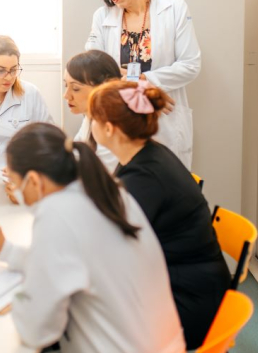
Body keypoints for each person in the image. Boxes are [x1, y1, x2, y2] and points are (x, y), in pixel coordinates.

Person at [0, 123, 185, 353]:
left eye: (14, 182)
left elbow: (37, 331)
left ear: (33, 180)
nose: (15, 190)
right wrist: (8, 250)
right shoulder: (107, 191)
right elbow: (70, 261)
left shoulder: (56, 213)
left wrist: (25, 295)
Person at [88, 80, 229, 349]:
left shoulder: (145, 176)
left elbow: (113, 244)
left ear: (108, 128)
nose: (90, 125)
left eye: (92, 118)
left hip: (187, 300)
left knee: (82, 313)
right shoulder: (148, 155)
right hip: (184, 280)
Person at [86, 0, 201, 169]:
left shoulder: (174, 9)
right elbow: (93, 67)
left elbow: (190, 65)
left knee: (164, 186)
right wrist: (142, 83)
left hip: (162, 119)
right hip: (118, 119)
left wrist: (141, 79)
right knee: (120, 191)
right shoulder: (102, 17)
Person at [63, 50, 121, 172]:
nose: (66, 95)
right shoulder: (89, 117)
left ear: (102, 88)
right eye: (66, 86)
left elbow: (95, 176)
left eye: (75, 88)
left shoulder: (112, 128)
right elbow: (73, 155)